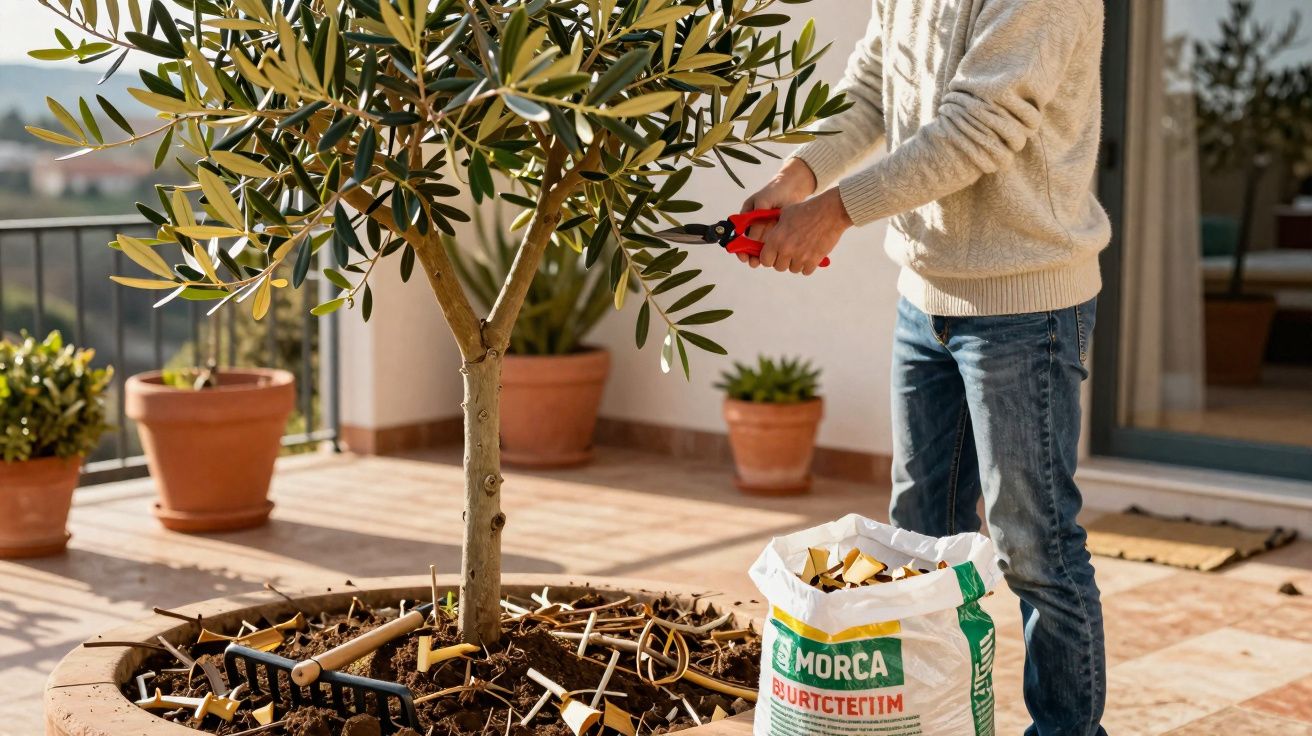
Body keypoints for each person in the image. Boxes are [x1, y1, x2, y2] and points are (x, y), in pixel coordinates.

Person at [740, 1, 1111, 734]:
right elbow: (872, 87)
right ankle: (933, 721)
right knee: (917, 534)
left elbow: (979, 127)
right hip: (924, 298)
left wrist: (833, 212)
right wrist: (797, 178)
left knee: (1033, 545)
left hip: (1024, 302)